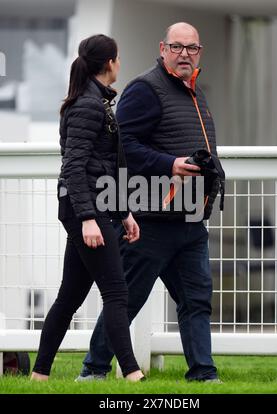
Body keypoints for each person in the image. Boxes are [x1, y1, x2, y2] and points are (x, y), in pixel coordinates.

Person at [77, 22, 221, 383]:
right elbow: (123, 147)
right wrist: (169, 163)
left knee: (196, 300)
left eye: (192, 48)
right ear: (163, 48)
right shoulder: (145, 88)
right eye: (177, 47)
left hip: (189, 220)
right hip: (150, 219)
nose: (185, 54)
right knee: (126, 299)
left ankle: (203, 374)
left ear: (199, 52)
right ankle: (93, 370)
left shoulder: (194, 91)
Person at [31, 34, 145, 382]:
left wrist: (123, 211)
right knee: (116, 292)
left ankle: (39, 376)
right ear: (109, 63)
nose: (120, 63)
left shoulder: (95, 102)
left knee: (69, 296)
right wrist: (88, 220)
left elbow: (103, 167)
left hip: (96, 208)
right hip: (86, 211)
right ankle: (132, 374)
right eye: (119, 58)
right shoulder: (87, 106)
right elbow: (74, 169)